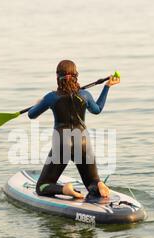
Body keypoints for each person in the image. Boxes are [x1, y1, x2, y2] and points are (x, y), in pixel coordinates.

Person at [28, 60, 120, 199]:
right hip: (83, 141)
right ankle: (98, 185)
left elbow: (31, 114)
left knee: (42, 186)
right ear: (76, 75)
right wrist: (107, 87)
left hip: (62, 143)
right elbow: (97, 109)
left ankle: (65, 189)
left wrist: (40, 103)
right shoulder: (85, 95)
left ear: (57, 77)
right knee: (91, 181)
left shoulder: (51, 97)